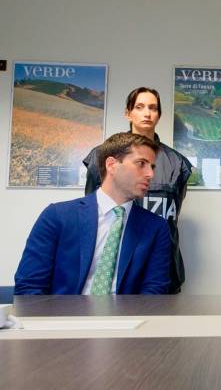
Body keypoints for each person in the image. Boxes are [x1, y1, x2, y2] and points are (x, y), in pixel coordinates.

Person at [15, 133, 171, 295]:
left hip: (126, 317)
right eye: (141, 164)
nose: (150, 174)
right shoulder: (57, 216)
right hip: (63, 316)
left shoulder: (156, 228)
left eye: (152, 167)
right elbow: (29, 286)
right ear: (112, 165)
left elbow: (154, 291)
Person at [83, 87, 192, 294]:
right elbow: (89, 212)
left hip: (161, 269)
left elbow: (173, 215)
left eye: (153, 108)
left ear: (159, 115)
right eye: (140, 107)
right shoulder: (101, 156)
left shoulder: (178, 163)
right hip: (110, 263)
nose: (147, 113)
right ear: (128, 113)